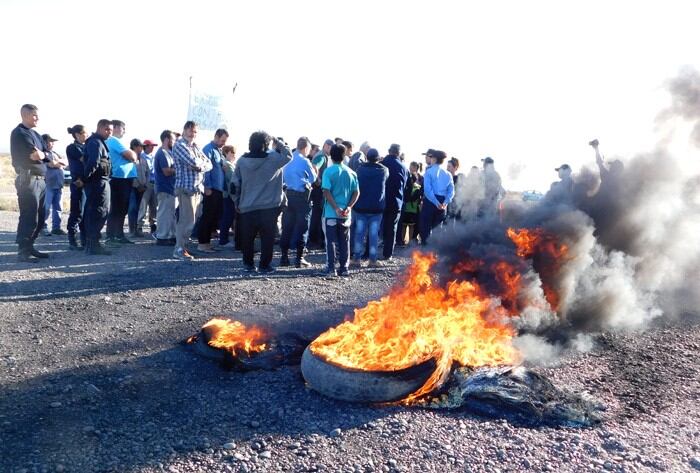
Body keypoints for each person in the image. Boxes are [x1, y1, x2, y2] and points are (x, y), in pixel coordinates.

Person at [232, 131, 292, 273]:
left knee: (248, 238)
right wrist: (278, 141)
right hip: (269, 206)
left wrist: (237, 202)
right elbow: (288, 155)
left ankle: (248, 264)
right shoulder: (274, 159)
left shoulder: (241, 161)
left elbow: (235, 185)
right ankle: (265, 265)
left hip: (247, 206)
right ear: (267, 144)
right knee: (267, 238)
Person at [10, 104, 49, 262]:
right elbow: (35, 155)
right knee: (29, 216)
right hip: (28, 180)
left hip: (41, 180)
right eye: (34, 115)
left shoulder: (36, 134)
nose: (37, 118)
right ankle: (23, 251)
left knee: (41, 217)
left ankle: (30, 245)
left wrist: (43, 154)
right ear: (25, 115)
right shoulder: (19, 133)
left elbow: (45, 154)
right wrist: (41, 155)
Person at [172, 121, 212, 260]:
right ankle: (179, 249)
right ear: (184, 130)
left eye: (195, 131)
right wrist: (199, 164)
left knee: (192, 221)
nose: (192, 134)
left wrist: (199, 166)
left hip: (196, 188)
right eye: (190, 130)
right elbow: (194, 162)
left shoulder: (195, 146)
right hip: (186, 188)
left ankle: (183, 248)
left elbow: (209, 164)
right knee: (186, 221)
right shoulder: (179, 145)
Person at [322, 143, 359, 277]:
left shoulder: (328, 171)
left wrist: (335, 208)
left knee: (330, 241)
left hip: (331, 213)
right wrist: (349, 206)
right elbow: (356, 192)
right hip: (346, 214)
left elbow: (326, 191)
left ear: (331, 156)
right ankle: (344, 268)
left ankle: (331, 268)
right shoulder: (352, 173)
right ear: (344, 156)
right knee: (345, 241)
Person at [280, 136, 317, 267]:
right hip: (302, 197)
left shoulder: (288, 159)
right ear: (306, 148)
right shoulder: (305, 161)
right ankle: (299, 258)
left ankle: (284, 257)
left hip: (288, 195)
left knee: (287, 227)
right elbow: (313, 178)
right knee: (302, 227)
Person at [351, 148, 387, 268]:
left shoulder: (360, 169)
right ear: (378, 158)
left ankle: (356, 259)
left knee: (359, 233)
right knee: (373, 235)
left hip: (361, 207)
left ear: (367, 157)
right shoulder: (384, 170)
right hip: (376, 208)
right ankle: (372, 260)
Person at [82, 119, 114, 255]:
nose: (109, 133)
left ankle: (92, 243)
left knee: (99, 212)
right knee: (98, 212)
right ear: (100, 128)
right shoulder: (95, 142)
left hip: (100, 182)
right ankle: (93, 244)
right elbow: (93, 163)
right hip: (97, 183)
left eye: (111, 130)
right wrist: (85, 179)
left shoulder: (99, 142)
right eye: (107, 129)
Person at [105, 120, 137, 245]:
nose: (125, 131)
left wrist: (130, 155)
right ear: (117, 127)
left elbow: (131, 156)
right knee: (117, 208)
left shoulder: (116, 142)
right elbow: (133, 156)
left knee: (122, 209)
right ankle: (111, 236)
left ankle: (118, 234)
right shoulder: (113, 140)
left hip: (124, 178)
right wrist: (132, 155)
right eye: (124, 128)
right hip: (119, 178)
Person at [197, 129, 229, 252]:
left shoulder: (218, 151)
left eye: (225, 141)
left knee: (213, 217)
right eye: (222, 140)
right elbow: (205, 169)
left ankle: (207, 243)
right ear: (216, 136)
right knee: (207, 216)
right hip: (211, 189)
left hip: (218, 189)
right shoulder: (208, 149)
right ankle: (202, 243)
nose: (223, 143)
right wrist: (207, 186)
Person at [419, 150, 454, 245]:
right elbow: (451, 191)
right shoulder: (448, 174)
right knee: (437, 230)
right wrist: (445, 203)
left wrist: (436, 202)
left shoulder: (429, 172)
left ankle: (425, 253)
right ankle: (434, 253)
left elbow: (427, 190)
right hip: (442, 202)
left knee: (425, 228)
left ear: (434, 159)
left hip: (431, 202)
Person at [381, 143, 408, 260]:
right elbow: (405, 186)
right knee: (392, 228)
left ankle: (369, 252)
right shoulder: (403, 167)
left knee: (375, 225)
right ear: (398, 153)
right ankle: (387, 254)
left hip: (380, 200)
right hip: (396, 201)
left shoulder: (382, 164)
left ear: (389, 151)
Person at [308, 138, 334, 249]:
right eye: (331, 148)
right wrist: (318, 180)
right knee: (318, 216)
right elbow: (314, 167)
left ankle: (315, 240)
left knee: (317, 215)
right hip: (319, 191)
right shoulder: (321, 157)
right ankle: (316, 241)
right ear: (326, 146)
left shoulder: (322, 156)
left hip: (318, 190)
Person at [41, 134, 68, 236]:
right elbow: (52, 164)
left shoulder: (55, 153)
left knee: (58, 208)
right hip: (47, 185)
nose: (50, 144)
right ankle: (42, 227)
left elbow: (66, 162)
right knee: (46, 208)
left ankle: (56, 228)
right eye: (48, 142)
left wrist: (58, 162)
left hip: (58, 185)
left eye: (51, 142)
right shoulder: (43, 154)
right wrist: (58, 163)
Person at [66, 124, 88, 250]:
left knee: (85, 213)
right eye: (84, 133)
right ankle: (72, 239)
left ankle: (84, 239)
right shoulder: (73, 147)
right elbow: (85, 160)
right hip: (78, 183)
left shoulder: (84, 147)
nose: (87, 135)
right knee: (77, 212)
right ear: (78, 134)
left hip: (86, 182)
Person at [153, 130, 177, 245]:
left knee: (170, 214)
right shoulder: (162, 153)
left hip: (170, 189)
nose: (175, 141)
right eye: (173, 139)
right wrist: (178, 170)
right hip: (165, 188)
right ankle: (162, 237)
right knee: (164, 213)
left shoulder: (169, 152)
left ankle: (170, 235)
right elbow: (166, 171)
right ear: (167, 139)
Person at [133, 139, 158, 237]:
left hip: (154, 183)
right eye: (151, 146)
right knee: (143, 206)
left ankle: (153, 224)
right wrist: (141, 184)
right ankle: (139, 225)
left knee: (153, 206)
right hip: (146, 184)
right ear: (146, 146)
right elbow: (140, 172)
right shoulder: (141, 157)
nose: (152, 148)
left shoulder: (153, 157)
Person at [397, 161, 423, 246]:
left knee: (411, 226)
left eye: (412, 167)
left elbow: (420, 194)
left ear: (416, 168)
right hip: (408, 208)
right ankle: (404, 240)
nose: (411, 168)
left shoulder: (420, 179)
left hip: (413, 208)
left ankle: (410, 241)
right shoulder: (407, 175)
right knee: (405, 225)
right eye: (410, 167)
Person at [127, 138, 146, 237]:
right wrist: (138, 185)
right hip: (133, 187)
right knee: (132, 208)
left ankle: (136, 229)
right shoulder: (130, 158)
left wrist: (144, 184)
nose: (142, 148)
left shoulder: (142, 159)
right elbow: (130, 173)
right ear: (134, 146)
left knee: (138, 209)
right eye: (140, 146)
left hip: (143, 187)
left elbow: (147, 172)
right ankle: (131, 230)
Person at [218, 144, 237, 248]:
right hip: (229, 195)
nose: (234, 155)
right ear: (227, 153)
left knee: (228, 217)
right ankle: (223, 240)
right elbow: (231, 179)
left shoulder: (228, 164)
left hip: (228, 194)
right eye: (232, 152)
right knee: (227, 217)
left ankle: (224, 239)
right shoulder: (228, 165)